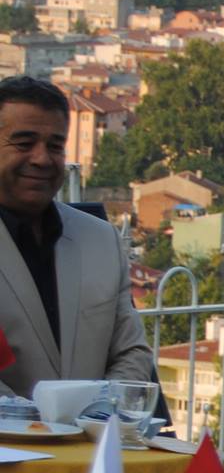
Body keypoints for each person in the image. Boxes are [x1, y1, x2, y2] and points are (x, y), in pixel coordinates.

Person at [0, 76, 151, 396]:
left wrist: (99, 410)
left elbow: (131, 353)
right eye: (24, 143)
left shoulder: (101, 241)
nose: (42, 158)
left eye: (55, 146)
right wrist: (38, 418)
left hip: (96, 425)